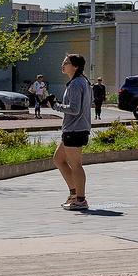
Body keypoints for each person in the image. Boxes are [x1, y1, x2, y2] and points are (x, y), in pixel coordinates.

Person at [54, 54, 94, 211]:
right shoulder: (80, 81)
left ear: (75, 66)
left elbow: (74, 109)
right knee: (58, 159)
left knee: (76, 165)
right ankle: (74, 193)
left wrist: (55, 106)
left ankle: (81, 199)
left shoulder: (77, 84)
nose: (63, 65)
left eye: (66, 63)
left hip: (75, 129)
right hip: (73, 129)